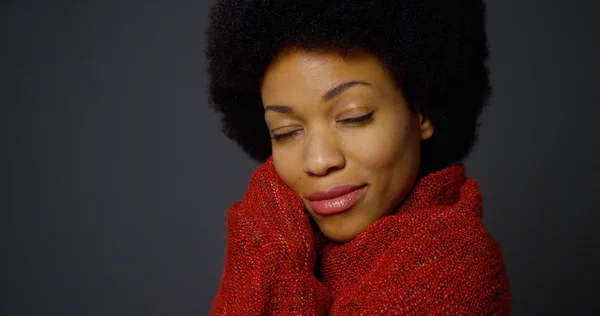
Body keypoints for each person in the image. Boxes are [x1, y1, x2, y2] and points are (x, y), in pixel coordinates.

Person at [205, 0, 511, 314]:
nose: (319, 161)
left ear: (422, 114)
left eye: (355, 116)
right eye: (285, 132)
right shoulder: (273, 237)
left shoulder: (453, 269)